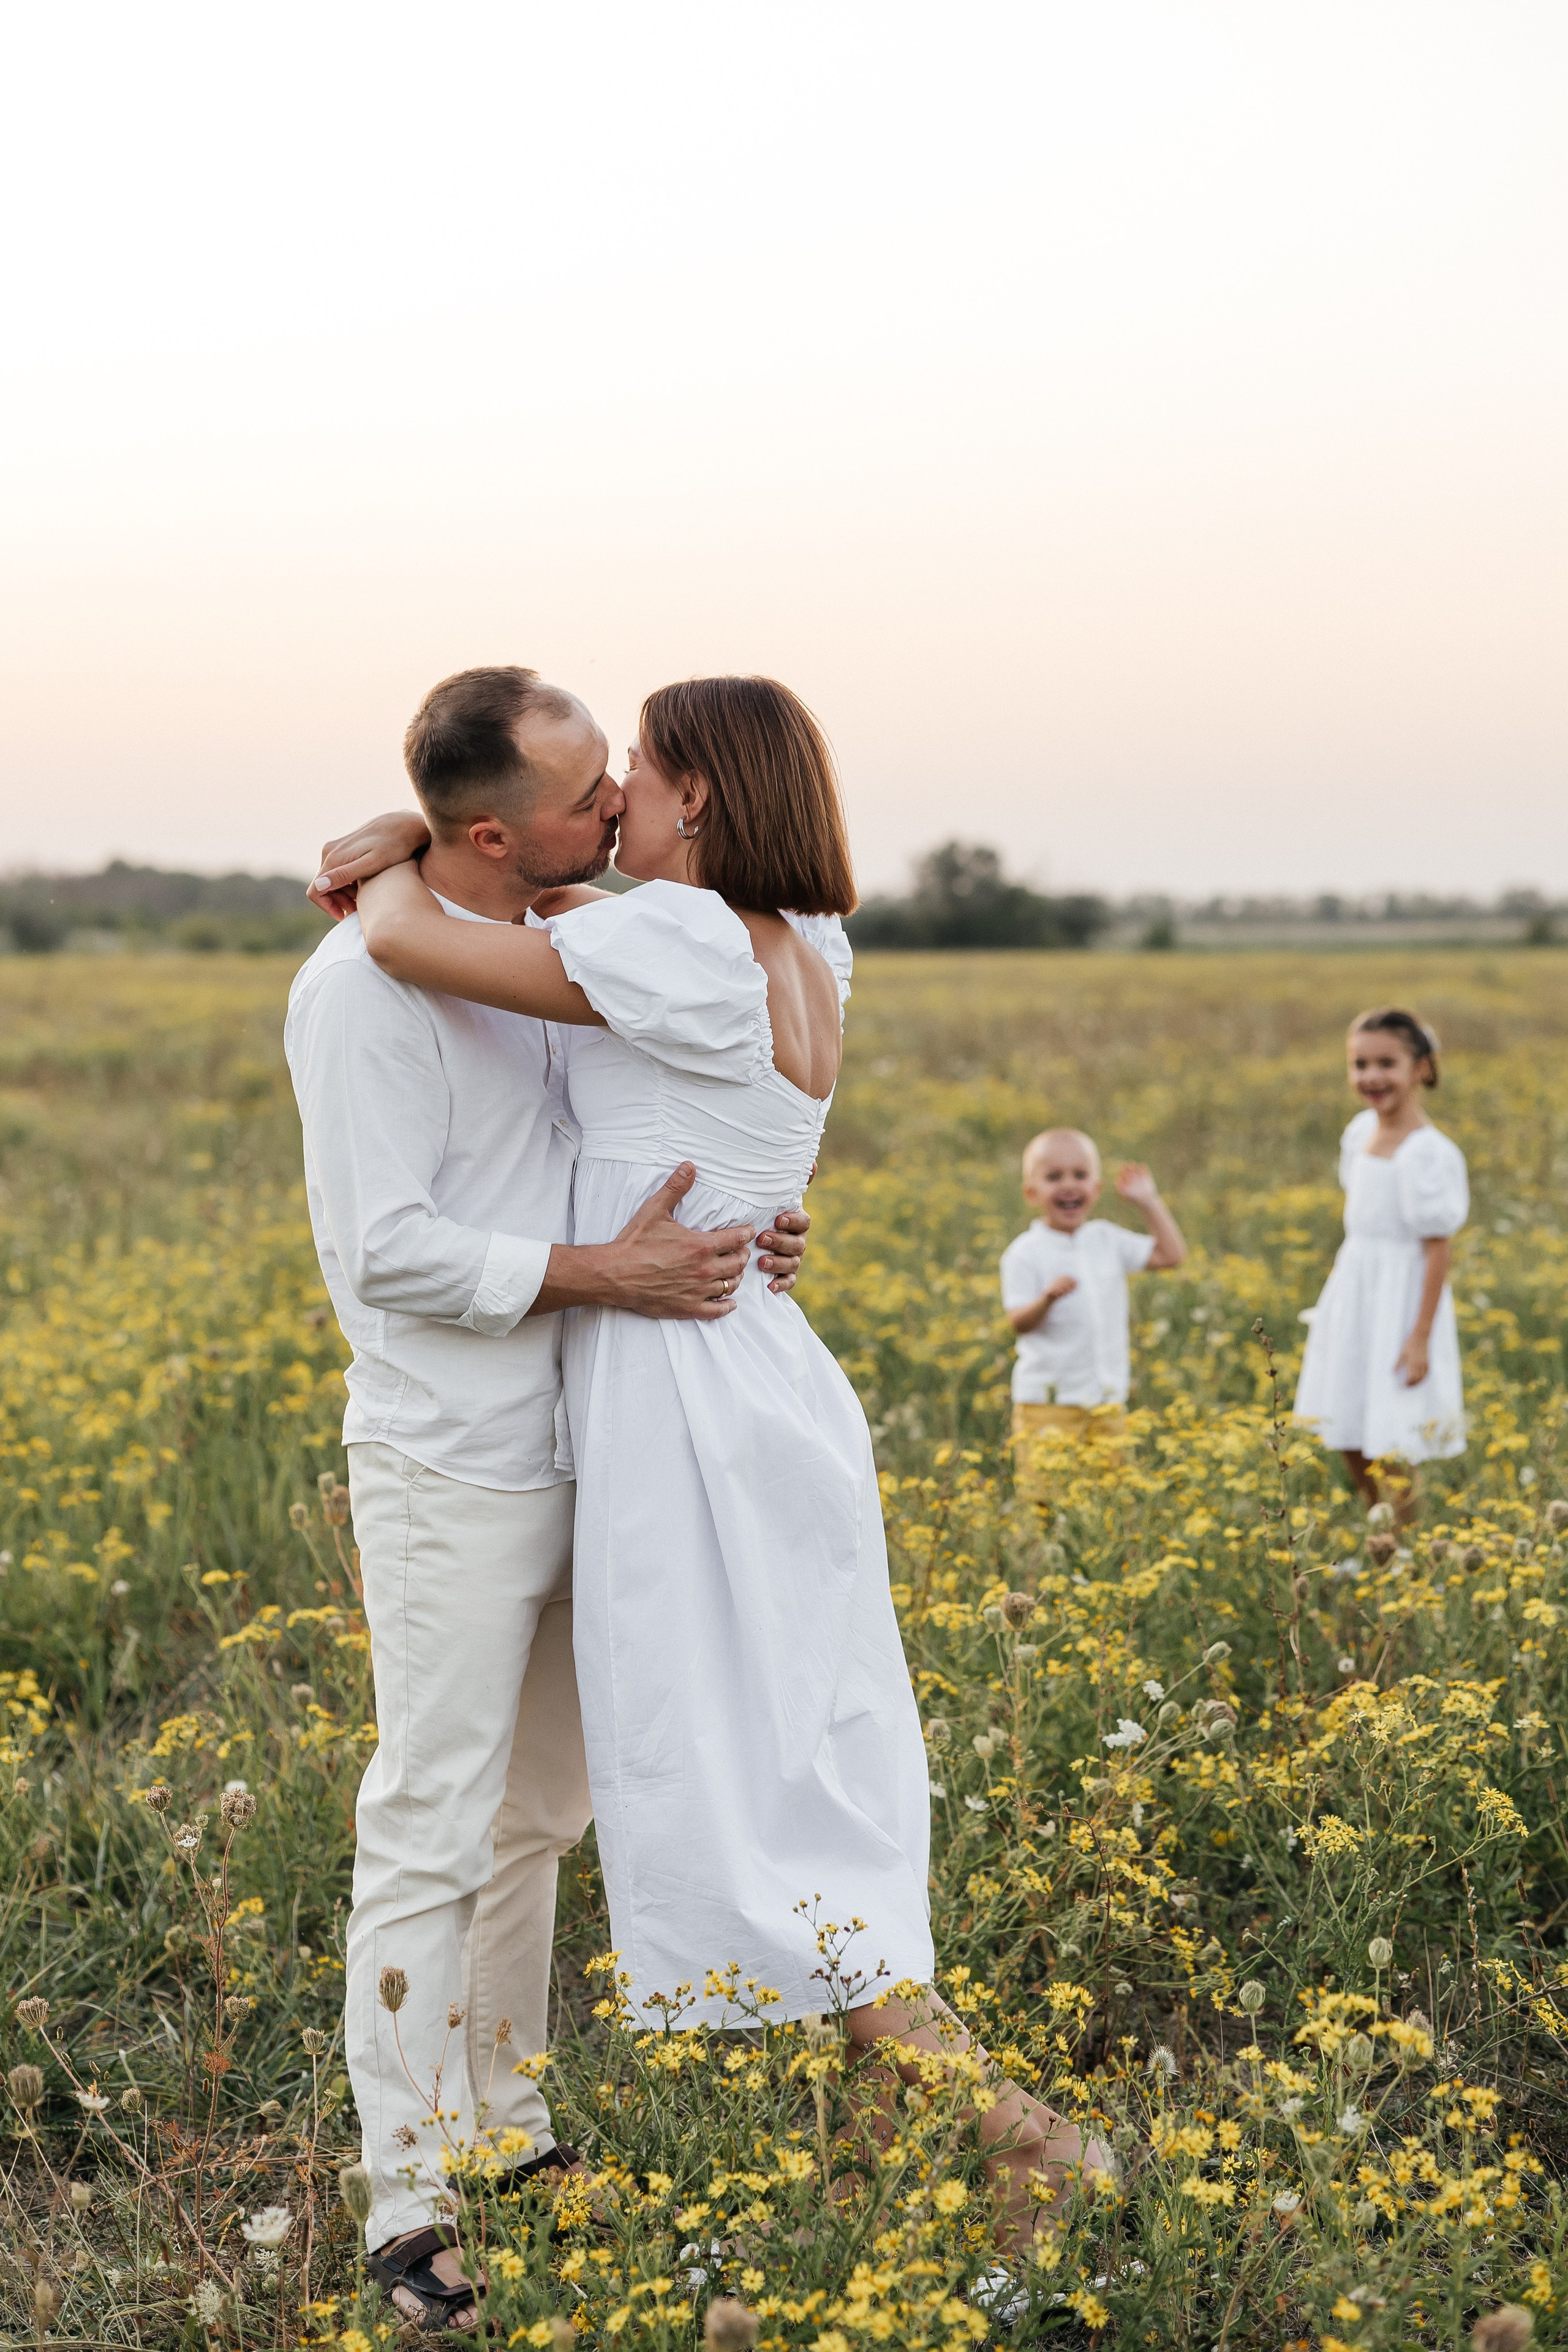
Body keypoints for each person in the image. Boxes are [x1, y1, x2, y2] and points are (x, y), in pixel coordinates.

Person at [344, 673, 1110, 2270]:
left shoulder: (678, 939)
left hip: (676, 1385)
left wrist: (401, 847)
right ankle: (934, 2116)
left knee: (743, 1784)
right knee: (788, 1760)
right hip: (755, 1359)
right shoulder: (809, 940)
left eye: (641, 770)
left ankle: (1012, 2128)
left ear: (701, 795)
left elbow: (411, 939)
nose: (618, 794)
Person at [286, 665, 812, 2329]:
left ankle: (506, 2132)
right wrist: (616, 1271)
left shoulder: (561, 944)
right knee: (432, 1818)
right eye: (589, 794)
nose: (618, 810)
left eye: (620, 782)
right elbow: (386, 1252)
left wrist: (736, 1230)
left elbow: (642, 1129)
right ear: (503, 828)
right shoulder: (362, 996)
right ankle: (402, 2198)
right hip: (450, 1459)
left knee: (540, 1819)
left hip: (597, 1438)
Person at [1294, 1007, 1468, 1521]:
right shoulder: (1359, 1133)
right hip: (1356, 1291)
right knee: (1346, 1422)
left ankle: (1411, 1546)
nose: (1371, 1077)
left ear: (1422, 1068)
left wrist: (1419, 1338)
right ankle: (1380, 1534)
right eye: (1359, 1064)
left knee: (1390, 1436)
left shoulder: (1428, 1153)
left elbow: (1438, 1249)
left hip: (1402, 1301)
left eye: (1386, 1063)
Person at [1000, 1128, 1185, 1505]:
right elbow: (1018, 1322)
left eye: (1080, 1175)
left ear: (1097, 1188)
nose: (1069, 1185)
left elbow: (1171, 1256)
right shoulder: (1024, 1253)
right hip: (1047, 1406)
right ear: (1031, 1192)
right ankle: (1046, 1564)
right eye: (1054, 1177)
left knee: (1113, 1502)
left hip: (1106, 1401)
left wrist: (1148, 1202)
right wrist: (1047, 1299)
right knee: (1046, 1502)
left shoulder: (1107, 1239)